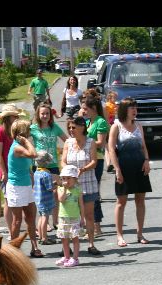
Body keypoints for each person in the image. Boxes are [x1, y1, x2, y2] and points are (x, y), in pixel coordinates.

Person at [108, 97, 152, 247]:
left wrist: (146, 160)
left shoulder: (138, 125)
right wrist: (117, 169)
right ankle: (120, 235)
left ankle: (140, 234)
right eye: (131, 108)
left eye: (135, 107)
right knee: (121, 202)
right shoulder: (116, 126)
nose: (134, 110)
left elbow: (143, 146)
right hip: (124, 167)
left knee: (140, 200)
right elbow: (111, 150)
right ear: (124, 110)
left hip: (139, 166)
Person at [60, 116, 100, 256]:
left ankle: (91, 244)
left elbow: (94, 161)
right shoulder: (68, 143)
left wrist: (82, 169)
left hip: (87, 183)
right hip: (71, 185)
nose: (71, 130)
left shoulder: (91, 142)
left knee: (88, 215)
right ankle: (68, 246)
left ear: (82, 127)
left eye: (74, 127)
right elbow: (63, 161)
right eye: (69, 127)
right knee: (69, 215)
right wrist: (69, 173)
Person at [6, 119, 43, 257]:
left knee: (31, 216)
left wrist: (31, 175)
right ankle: (12, 251)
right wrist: (26, 141)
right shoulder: (17, 147)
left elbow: (28, 163)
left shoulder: (22, 146)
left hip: (26, 185)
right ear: (21, 133)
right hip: (16, 187)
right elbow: (34, 154)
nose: (30, 133)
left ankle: (34, 247)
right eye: (28, 131)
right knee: (17, 220)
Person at [30, 102, 68, 229]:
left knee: (56, 193)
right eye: (42, 113)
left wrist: (65, 154)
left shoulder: (54, 127)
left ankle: (55, 221)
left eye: (47, 113)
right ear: (38, 114)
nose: (45, 116)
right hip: (40, 165)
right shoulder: (34, 128)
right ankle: (44, 222)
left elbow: (66, 140)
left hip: (53, 165)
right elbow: (23, 140)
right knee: (42, 194)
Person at [0, 104, 25, 237]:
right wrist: (4, 173)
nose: (17, 117)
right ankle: (12, 230)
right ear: (7, 118)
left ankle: (16, 227)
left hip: (18, 170)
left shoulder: (16, 131)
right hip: (6, 171)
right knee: (8, 200)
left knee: (18, 200)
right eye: (14, 115)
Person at [80, 93, 109, 237]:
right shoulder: (87, 122)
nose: (83, 111)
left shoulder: (100, 122)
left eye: (85, 109)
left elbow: (101, 142)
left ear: (93, 108)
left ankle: (97, 226)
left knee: (93, 193)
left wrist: (85, 142)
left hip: (96, 160)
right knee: (86, 193)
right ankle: (90, 225)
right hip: (86, 159)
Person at [55, 164, 84, 268]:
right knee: (64, 238)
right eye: (63, 179)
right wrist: (66, 189)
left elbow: (81, 204)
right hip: (63, 217)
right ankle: (66, 256)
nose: (66, 181)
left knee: (75, 238)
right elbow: (61, 200)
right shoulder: (61, 189)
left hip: (74, 217)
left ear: (75, 179)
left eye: (68, 178)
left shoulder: (78, 190)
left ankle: (75, 258)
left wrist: (82, 218)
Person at [33, 151, 56, 245]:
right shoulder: (46, 174)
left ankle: (41, 236)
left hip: (38, 199)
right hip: (45, 200)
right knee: (45, 218)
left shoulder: (36, 172)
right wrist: (57, 184)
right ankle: (44, 238)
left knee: (41, 217)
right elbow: (49, 188)